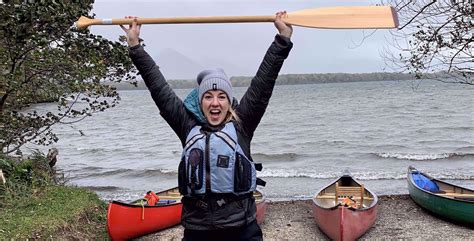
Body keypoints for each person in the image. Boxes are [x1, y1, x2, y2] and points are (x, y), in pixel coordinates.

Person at [121, 11, 293, 241]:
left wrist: (282, 39)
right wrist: (135, 46)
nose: (214, 102)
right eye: (208, 96)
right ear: (200, 101)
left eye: (221, 96)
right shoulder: (186, 124)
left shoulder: (242, 123)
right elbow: (158, 87)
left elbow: (264, 82)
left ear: (229, 102)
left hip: (241, 229)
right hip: (197, 230)